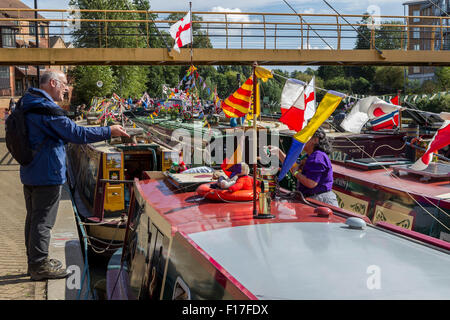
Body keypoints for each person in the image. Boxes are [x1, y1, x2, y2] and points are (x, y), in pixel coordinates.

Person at [21, 70, 130, 281]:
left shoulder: (28, 103)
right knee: (43, 222)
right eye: (64, 84)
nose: (67, 88)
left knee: (33, 219)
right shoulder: (47, 110)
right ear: (52, 83)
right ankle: (39, 266)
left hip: (31, 171)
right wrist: (109, 130)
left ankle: (34, 261)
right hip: (47, 174)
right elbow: (77, 134)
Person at [269, 127, 338, 206]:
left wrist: (296, 173)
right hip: (314, 198)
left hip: (320, 200)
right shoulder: (310, 155)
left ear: (315, 140)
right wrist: (278, 152)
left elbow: (311, 183)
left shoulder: (317, 157)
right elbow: (291, 164)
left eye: (305, 137)